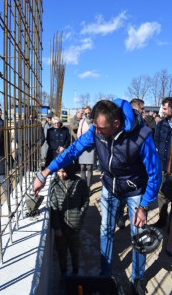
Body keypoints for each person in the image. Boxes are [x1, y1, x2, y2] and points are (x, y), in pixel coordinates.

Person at [34, 99, 162, 294]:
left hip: (135, 189)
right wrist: (45, 173)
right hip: (110, 186)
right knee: (105, 230)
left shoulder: (141, 137)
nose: (96, 131)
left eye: (101, 128)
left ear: (116, 124)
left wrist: (144, 206)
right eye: (95, 126)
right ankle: (106, 274)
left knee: (139, 235)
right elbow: (74, 150)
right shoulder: (96, 129)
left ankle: (137, 280)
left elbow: (155, 174)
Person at [50, 163, 89, 275]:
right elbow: (54, 207)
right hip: (61, 228)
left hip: (75, 226)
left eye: (64, 171)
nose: (61, 174)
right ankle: (63, 274)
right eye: (59, 171)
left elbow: (85, 200)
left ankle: (75, 272)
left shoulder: (80, 183)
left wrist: (80, 214)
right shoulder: (55, 184)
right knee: (61, 252)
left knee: (75, 252)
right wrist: (56, 227)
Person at [154, 97, 172, 229]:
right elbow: (156, 142)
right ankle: (162, 219)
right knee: (161, 193)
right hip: (163, 167)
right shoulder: (160, 125)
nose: (162, 111)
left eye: (164, 108)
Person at [77, 106, 95, 190]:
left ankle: (88, 187)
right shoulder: (82, 121)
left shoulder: (94, 121)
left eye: (89, 113)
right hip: (83, 146)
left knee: (90, 167)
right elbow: (79, 134)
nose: (87, 114)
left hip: (91, 147)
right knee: (82, 167)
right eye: (86, 113)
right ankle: (83, 185)